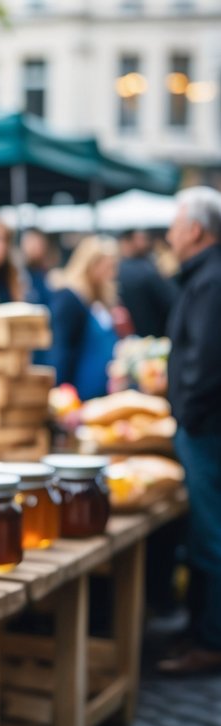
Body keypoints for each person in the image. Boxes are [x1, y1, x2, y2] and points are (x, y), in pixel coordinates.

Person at [156, 187, 221, 675]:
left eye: (176, 226)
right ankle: (199, 629)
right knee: (204, 531)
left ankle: (211, 639)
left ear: (195, 230)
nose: (169, 235)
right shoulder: (204, 277)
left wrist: (188, 413)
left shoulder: (210, 280)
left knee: (210, 534)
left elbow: (205, 361)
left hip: (206, 428)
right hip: (202, 425)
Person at [46, 236, 121, 402]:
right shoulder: (70, 297)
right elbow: (62, 347)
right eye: (107, 266)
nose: (111, 272)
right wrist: (62, 391)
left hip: (103, 391)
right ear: (91, 264)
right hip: (80, 392)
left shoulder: (100, 297)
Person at [117, 228, 178, 338]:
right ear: (127, 241)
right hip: (154, 336)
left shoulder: (119, 269)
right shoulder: (147, 270)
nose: (146, 242)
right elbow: (172, 302)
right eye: (141, 239)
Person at [20, 228, 57, 307]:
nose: (33, 248)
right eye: (30, 243)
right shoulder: (18, 275)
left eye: (37, 243)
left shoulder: (49, 276)